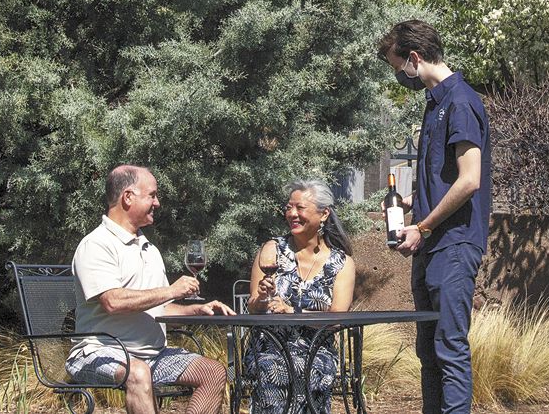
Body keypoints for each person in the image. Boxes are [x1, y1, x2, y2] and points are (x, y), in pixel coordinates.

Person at [377, 20, 491, 414]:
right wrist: (410, 203)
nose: (398, 77)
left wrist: (422, 226)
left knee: (450, 347)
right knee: (428, 351)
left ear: (414, 58)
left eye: (397, 68)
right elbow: (443, 179)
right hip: (431, 248)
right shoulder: (434, 104)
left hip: (453, 246)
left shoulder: (460, 101)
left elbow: (469, 180)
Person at [66, 164, 236, 414]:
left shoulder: (149, 249)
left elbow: (160, 307)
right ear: (128, 197)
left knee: (213, 372)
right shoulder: (96, 245)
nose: (157, 203)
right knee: (138, 372)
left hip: (154, 355)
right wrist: (172, 290)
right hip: (98, 353)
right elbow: (112, 301)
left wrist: (197, 310)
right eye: (152, 195)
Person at [244, 179, 356, 414]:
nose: (292, 214)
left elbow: (337, 318)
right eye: (288, 207)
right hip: (270, 349)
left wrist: (294, 313)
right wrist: (263, 298)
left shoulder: (342, 264)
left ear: (324, 214)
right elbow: (253, 307)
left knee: (308, 368)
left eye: (300, 208)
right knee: (274, 368)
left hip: (317, 350)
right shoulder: (272, 250)